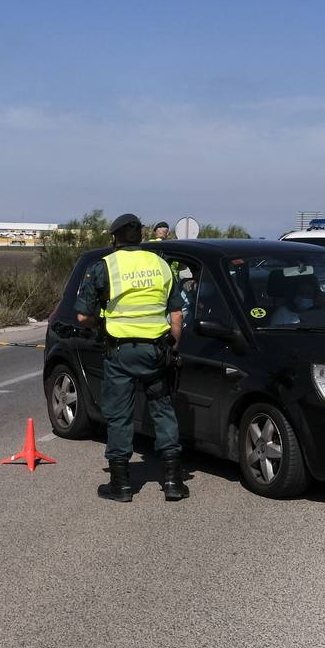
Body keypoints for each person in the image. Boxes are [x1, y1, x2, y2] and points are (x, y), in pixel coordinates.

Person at [75, 213, 188, 502]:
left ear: (114, 238)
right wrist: (172, 347)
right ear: (140, 238)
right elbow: (177, 313)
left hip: (120, 353)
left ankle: (121, 484)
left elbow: (83, 315)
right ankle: (173, 481)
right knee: (163, 411)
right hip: (155, 352)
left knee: (119, 415)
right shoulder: (160, 264)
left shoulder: (105, 267)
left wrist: (99, 325)